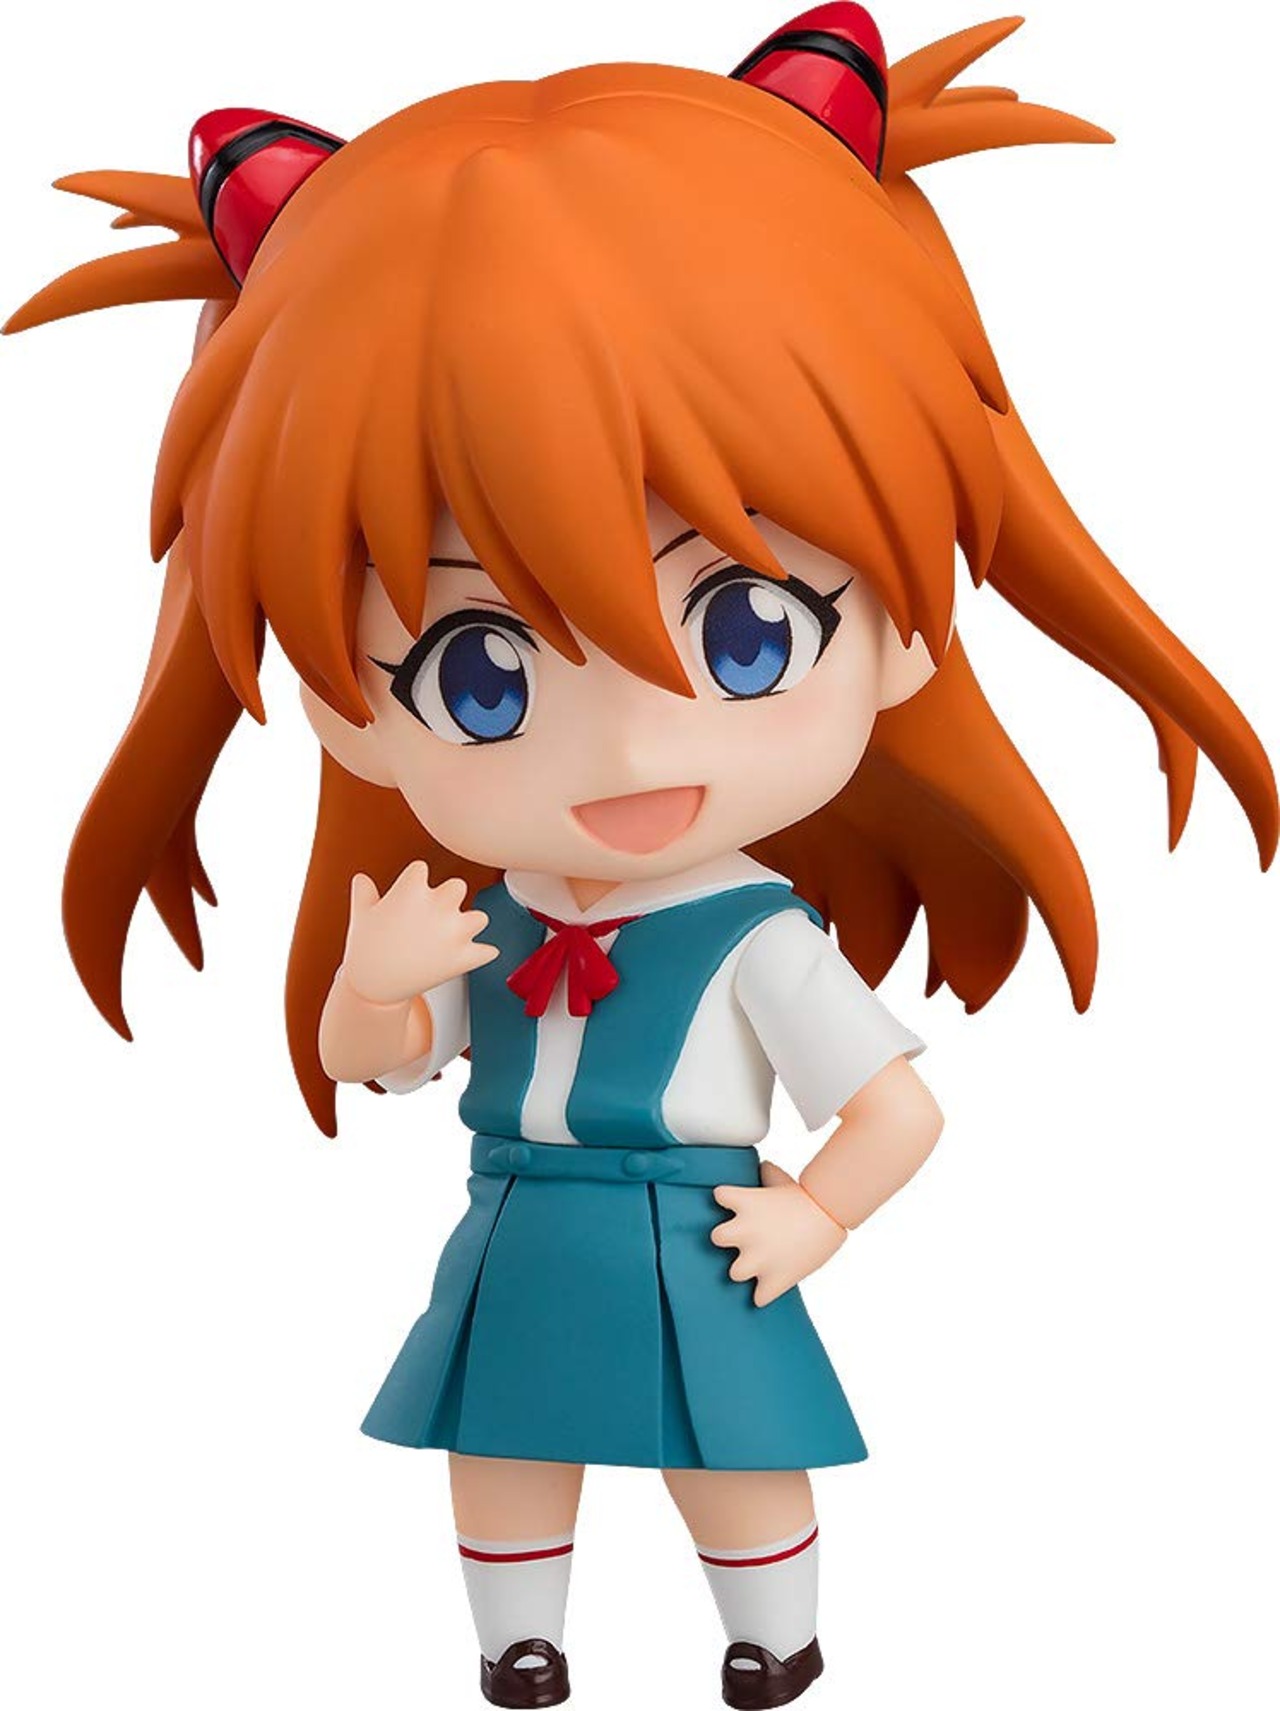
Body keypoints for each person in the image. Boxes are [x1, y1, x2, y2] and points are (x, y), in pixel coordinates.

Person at [7, 8, 1274, 1707]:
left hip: (699, 1228)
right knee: (501, 1447)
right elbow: (385, 1059)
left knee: (730, 1449)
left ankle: (773, 1637)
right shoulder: (483, 909)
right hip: (519, 1217)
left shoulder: (759, 937)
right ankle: (519, 1644)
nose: (628, 749)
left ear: (908, 630)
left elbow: (897, 1111)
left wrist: (815, 1215)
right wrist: (376, 991)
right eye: (480, 673)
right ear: (347, 714)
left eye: (748, 631)